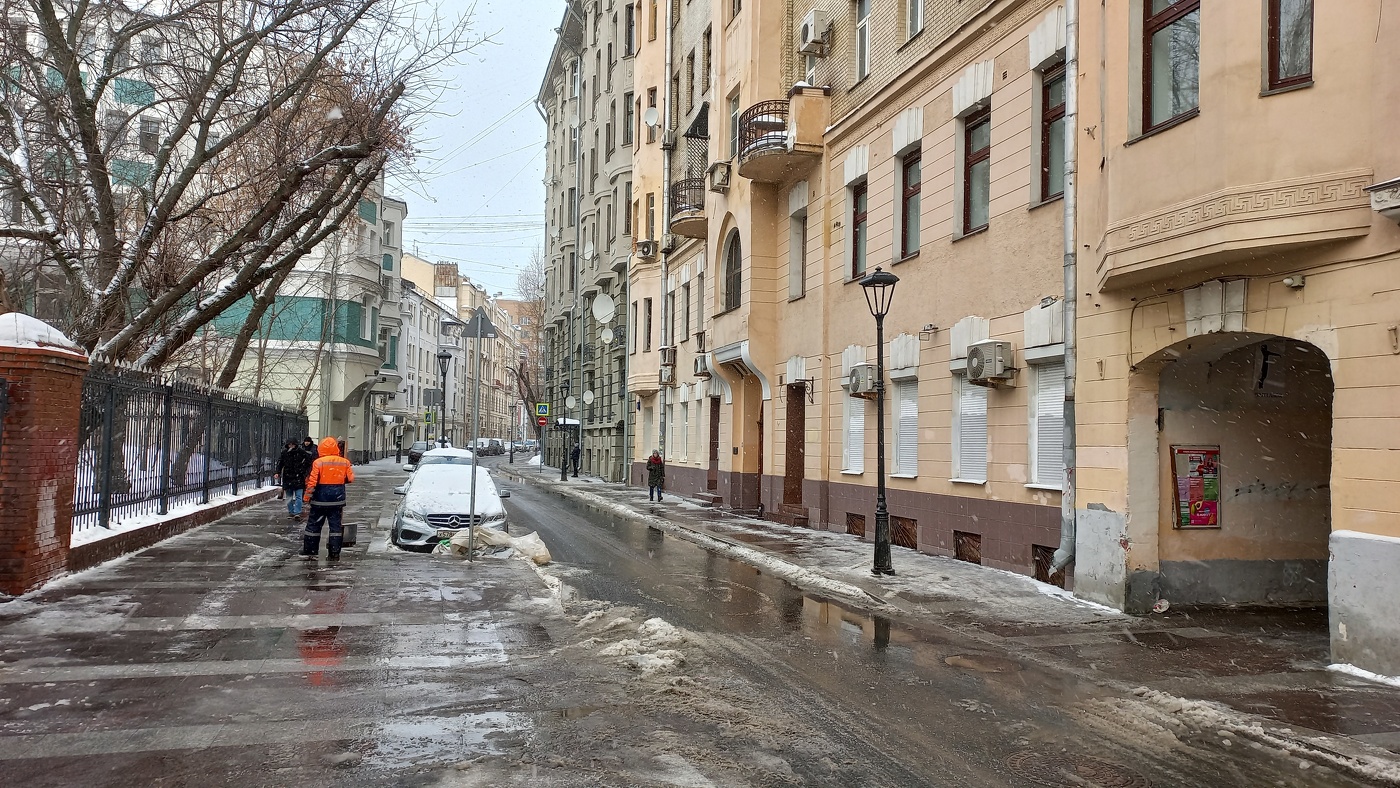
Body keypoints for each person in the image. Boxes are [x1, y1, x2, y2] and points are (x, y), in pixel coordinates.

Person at [302, 437, 355, 561]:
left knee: (313, 526)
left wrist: (306, 497)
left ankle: (311, 550)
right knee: (335, 528)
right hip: (337, 500)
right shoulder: (344, 462)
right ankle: (334, 552)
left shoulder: (318, 462)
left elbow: (312, 482)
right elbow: (351, 479)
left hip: (319, 500)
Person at [275, 438, 312, 521]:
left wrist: (304, 471)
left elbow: (308, 462)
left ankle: (297, 512)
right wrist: (277, 472)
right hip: (290, 477)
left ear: (295, 444)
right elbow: (280, 463)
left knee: (298, 496)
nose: (291, 446)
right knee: (289, 496)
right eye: (290, 444)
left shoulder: (301, 452)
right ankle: (292, 511)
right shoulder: (285, 453)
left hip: (297, 477)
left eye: (293, 444)